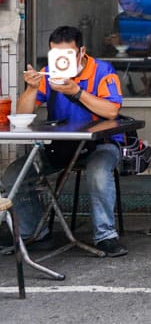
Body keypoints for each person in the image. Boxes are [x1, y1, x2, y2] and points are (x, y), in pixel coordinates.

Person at [1, 26, 127, 257]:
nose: (61, 60)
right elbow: (23, 114)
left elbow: (111, 111)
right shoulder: (48, 72)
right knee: (14, 174)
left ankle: (105, 236)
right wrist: (32, 88)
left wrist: (76, 91)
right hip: (60, 146)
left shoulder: (102, 70)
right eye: (55, 54)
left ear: (81, 52)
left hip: (101, 144)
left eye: (67, 54)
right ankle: (34, 232)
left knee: (99, 173)